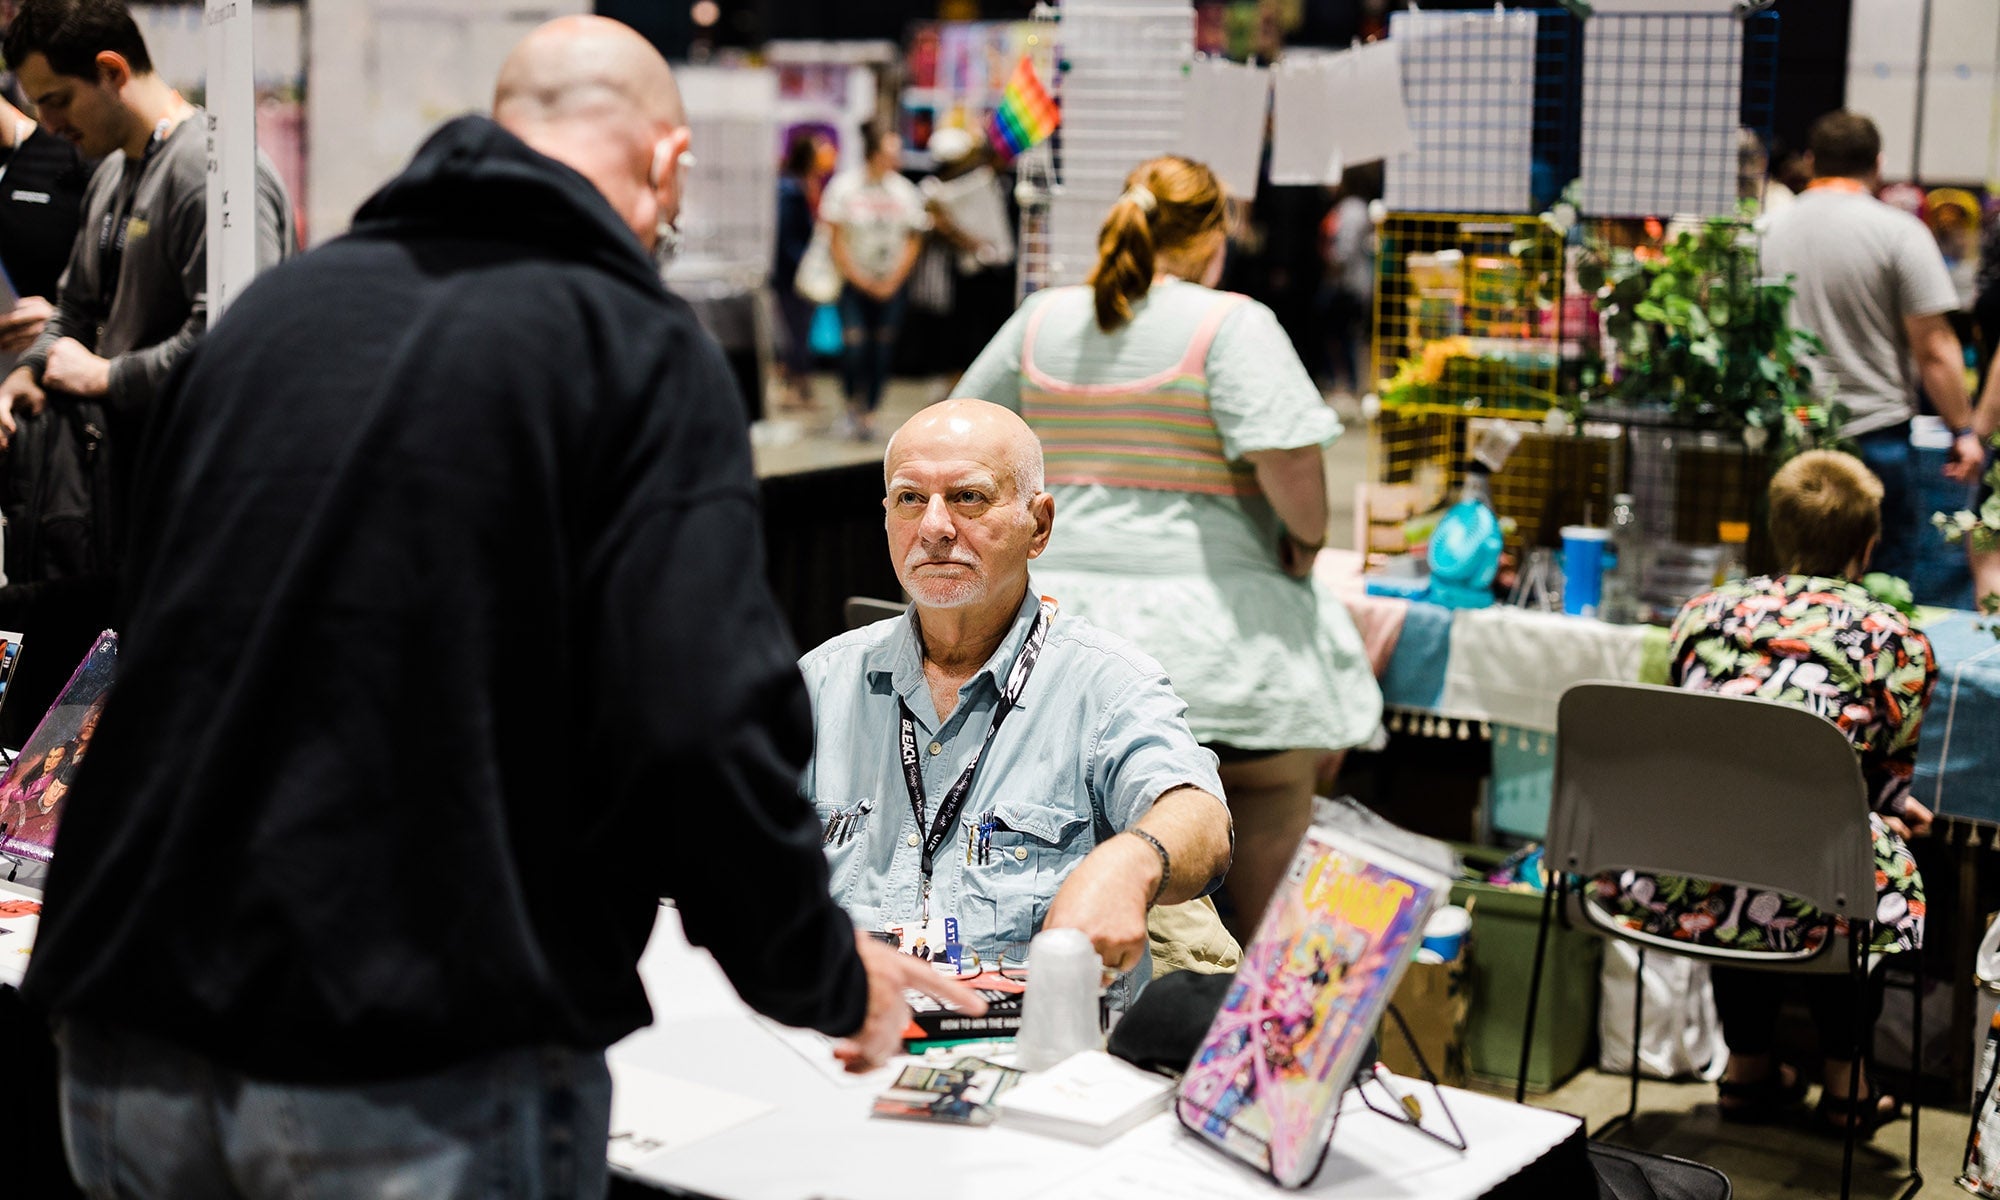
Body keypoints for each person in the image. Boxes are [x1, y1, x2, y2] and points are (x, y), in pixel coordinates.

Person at [19, 17, 978, 1197]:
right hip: (404, 1054)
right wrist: (822, 971)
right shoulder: (629, 344)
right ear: (667, 162)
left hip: (124, 1018)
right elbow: (697, 725)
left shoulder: (278, 317)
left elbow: (159, 629)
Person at [952, 156, 1382, 933]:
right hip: (1225, 652)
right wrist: (1306, 543)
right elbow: (1292, 467)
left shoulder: (1041, 320)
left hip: (1056, 652)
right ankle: (1253, 1045)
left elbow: (959, 442)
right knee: (1267, 870)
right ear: (1213, 236)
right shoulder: (1230, 324)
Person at [799, 399, 1235, 996]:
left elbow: (1202, 819)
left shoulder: (1106, 685)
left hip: (1036, 1058)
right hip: (848, 1042)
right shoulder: (821, 683)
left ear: (1040, 525)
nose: (934, 527)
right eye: (909, 499)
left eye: (968, 497)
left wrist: (1130, 864)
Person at [1595, 450, 1935, 1135]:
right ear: (1866, 548)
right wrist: (1894, 812)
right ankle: (1848, 1087)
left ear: (1778, 534)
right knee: (1859, 853)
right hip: (1819, 878)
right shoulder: (1895, 639)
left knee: (1742, 833)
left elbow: (1699, 741)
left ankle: (1746, 1071)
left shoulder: (1699, 615)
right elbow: (1890, 781)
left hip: (1685, 873)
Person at [0, 0, 295, 744]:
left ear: (111, 71)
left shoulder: (212, 172)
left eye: (60, 102)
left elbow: (235, 335)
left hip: (193, 516)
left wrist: (104, 378)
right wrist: (24, 378)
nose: (52, 126)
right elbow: (72, 310)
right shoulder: (109, 176)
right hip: (112, 518)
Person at [1760, 111, 1987, 597]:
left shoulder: (1766, 231)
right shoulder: (1898, 232)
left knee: (1784, 582)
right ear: (1877, 164)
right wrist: (1963, 430)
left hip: (1788, 431)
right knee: (1880, 590)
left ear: (1810, 161)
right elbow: (1934, 346)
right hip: (1874, 439)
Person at [820, 124, 927, 440]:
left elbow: (913, 239)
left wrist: (894, 279)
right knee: (854, 345)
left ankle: (871, 411)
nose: (896, 157)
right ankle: (851, 404)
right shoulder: (845, 188)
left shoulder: (905, 191)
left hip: (891, 284)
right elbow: (835, 237)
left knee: (882, 347)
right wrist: (858, 277)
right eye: (890, 150)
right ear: (873, 152)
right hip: (853, 283)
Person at [772, 129, 820, 411]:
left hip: (797, 271)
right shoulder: (790, 190)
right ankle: (796, 388)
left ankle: (799, 387)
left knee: (800, 332)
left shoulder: (802, 185)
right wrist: (805, 265)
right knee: (795, 333)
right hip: (793, 275)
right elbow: (788, 236)